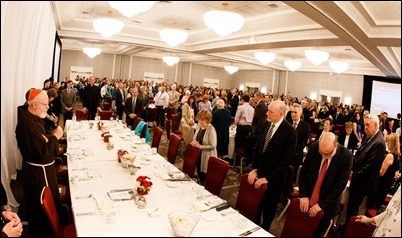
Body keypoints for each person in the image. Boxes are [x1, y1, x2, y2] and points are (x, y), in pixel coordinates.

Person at [15, 89, 64, 237]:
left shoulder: (34, 118)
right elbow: (42, 153)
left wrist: (49, 138)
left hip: (41, 171)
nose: (48, 107)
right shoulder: (27, 126)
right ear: (35, 105)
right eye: (45, 104)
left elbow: (43, 140)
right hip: (38, 175)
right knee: (41, 210)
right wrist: (56, 136)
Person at [247, 99, 297, 231]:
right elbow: (257, 149)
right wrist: (255, 169)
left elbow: (286, 161)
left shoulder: (290, 131)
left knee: (268, 213)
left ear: (281, 114)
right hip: (259, 175)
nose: (267, 113)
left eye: (271, 111)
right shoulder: (265, 124)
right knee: (255, 209)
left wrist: (268, 178)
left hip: (274, 181)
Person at [298, 132, 353, 237]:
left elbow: (340, 185)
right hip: (308, 197)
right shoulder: (314, 148)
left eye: (327, 153)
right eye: (321, 152)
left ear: (335, 146)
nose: (324, 156)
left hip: (328, 204)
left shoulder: (346, 156)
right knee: (301, 229)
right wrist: (303, 194)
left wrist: (322, 204)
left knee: (315, 233)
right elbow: (304, 172)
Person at [346, 114, 386, 222]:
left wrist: (353, 175)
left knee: (354, 212)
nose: (365, 127)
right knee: (350, 209)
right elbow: (359, 155)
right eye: (365, 125)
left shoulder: (379, 143)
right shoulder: (368, 136)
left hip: (363, 184)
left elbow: (370, 167)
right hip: (357, 179)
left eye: (368, 125)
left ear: (376, 125)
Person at [367, 133, 400, 210]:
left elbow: (381, 172)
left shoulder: (390, 156)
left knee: (373, 205)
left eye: (387, 141)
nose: (386, 143)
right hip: (387, 183)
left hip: (382, 183)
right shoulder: (396, 155)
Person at [190, 110, 217, 185]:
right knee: (199, 171)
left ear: (207, 120)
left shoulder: (211, 129)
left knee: (204, 174)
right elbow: (195, 138)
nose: (200, 122)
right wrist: (194, 142)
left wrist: (200, 146)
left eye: (202, 120)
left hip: (207, 155)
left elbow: (213, 145)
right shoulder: (199, 126)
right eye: (200, 119)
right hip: (199, 154)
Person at [288, 103, 310, 181]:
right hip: (285, 155)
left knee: (292, 178)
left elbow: (303, 143)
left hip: (296, 156)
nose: (293, 114)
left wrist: (292, 149)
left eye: (295, 112)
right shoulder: (287, 123)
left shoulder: (306, 126)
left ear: (300, 113)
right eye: (292, 112)